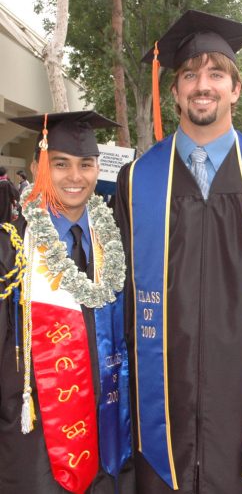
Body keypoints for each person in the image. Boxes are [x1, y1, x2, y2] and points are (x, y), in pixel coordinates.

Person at [115, 10, 242, 494]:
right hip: (163, 397)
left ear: (236, 89)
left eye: (217, 74)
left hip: (240, 402)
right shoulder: (136, 181)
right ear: (175, 92)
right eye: (190, 75)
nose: (203, 85)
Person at [1, 111, 134, 493]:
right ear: (37, 168)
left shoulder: (116, 246)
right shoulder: (10, 252)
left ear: (98, 169)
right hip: (35, 445)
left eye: (86, 164)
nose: (75, 177)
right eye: (61, 164)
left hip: (110, 438)